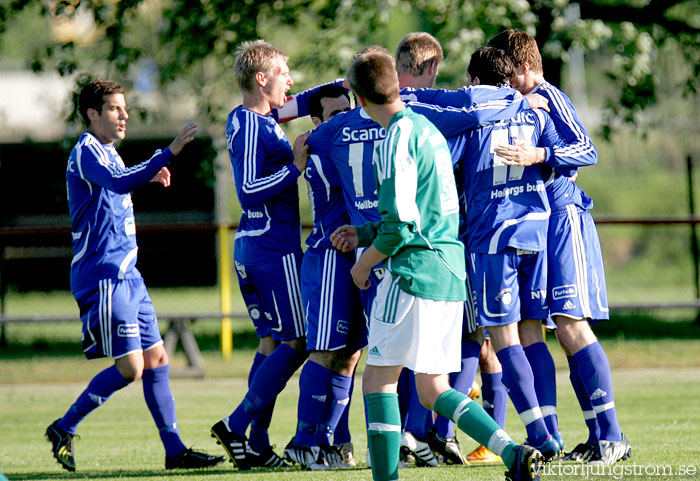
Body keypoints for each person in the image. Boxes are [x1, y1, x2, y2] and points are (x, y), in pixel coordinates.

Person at [331, 50, 542, 481]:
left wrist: (364, 262)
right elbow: (425, 214)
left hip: (412, 274)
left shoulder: (394, 139)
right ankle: (513, 451)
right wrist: (365, 233)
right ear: (396, 82)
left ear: (356, 96)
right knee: (433, 389)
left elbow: (402, 227)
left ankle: (385, 478)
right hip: (449, 271)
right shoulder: (426, 129)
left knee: (378, 381)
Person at [46, 78, 224, 472]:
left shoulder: (109, 151)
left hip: (129, 275)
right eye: (114, 109)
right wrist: (168, 154)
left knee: (157, 358)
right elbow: (118, 183)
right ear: (93, 114)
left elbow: (117, 190)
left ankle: (175, 451)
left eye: (124, 109)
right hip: (104, 274)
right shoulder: (87, 151)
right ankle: (63, 427)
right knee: (132, 368)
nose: (124, 116)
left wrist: (149, 175)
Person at [489, 28, 631, 465]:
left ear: (526, 69)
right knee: (535, 326)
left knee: (571, 325)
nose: (504, 85)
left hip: (566, 221)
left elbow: (586, 149)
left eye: (509, 75)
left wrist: (539, 156)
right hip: (537, 227)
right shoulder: (514, 104)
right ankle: (555, 436)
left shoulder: (550, 96)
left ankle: (611, 435)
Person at [455, 46, 575, 462]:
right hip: (536, 233)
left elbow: (444, 170)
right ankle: (551, 427)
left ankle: (541, 435)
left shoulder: (470, 122)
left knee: (504, 340)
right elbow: (566, 163)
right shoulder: (538, 113)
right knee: (531, 334)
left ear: (474, 81)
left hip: (494, 238)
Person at [210, 39, 310, 470]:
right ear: (261, 78)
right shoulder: (252, 124)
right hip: (272, 248)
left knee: (271, 343)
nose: (290, 81)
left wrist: (352, 83)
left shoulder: (262, 118)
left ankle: (257, 444)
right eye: (283, 73)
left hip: (258, 248)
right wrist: (296, 168)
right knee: (301, 339)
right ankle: (236, 425)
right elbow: (248, 192)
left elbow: (305, 100)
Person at [284, 84, 362, 470]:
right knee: (325, 351)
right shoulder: (318, 147)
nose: (344, 120)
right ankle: (304, 441)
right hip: (329, 256)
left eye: (348, 111)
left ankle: (329, 441)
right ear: (316, 122)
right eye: (335, 115)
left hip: (355, 256)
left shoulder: (342, 140)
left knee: (349, 357)